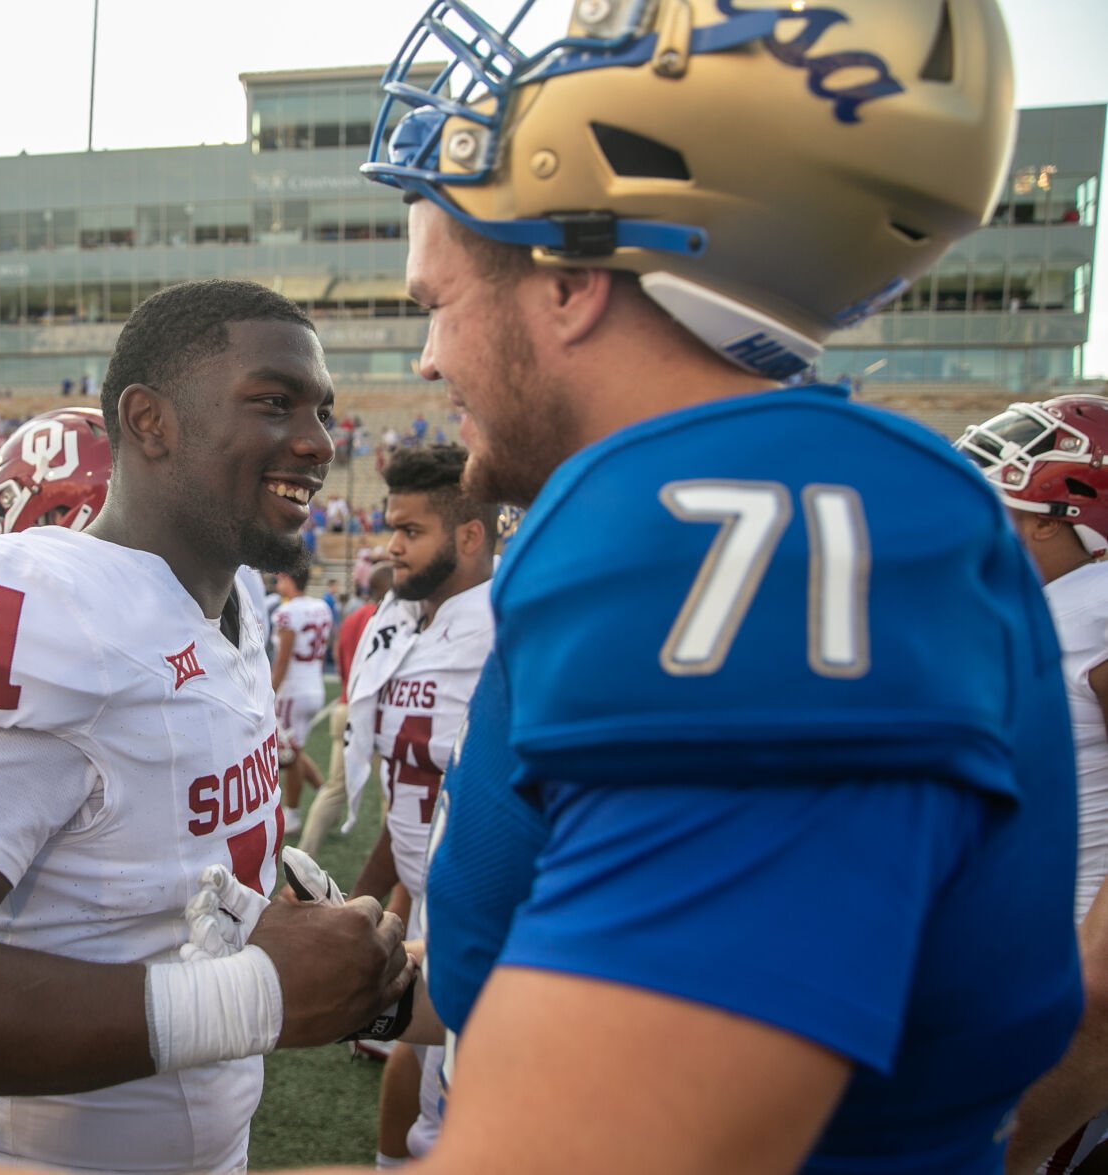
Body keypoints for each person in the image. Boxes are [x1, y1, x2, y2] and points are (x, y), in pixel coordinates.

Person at [351, 0, 1074, 1170]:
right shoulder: (737, 498)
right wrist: (346, 985)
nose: (428, 359)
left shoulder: (730, 530)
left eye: (436, 304)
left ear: (571, 279)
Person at [0, 280, 409, 1173]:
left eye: (322, 409)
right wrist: (250, 997)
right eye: (274, 402)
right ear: (149, 421)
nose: (318, 440)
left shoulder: (234, 593)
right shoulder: (50, 614)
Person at [956, 395, 1108, 1172]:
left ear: (1059, 518)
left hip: (1065, 983)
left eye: (1006, 511)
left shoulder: (1095, 608)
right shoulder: (1036, 608)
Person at [337, 444, 496, 1162]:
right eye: (391, 527)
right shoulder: (403, 621)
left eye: (411, 531)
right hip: (431, 896)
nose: (390, 546)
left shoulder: (501, 630)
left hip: (484, 908)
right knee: (418, 1071)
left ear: (470, 535)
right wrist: (360, 901)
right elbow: (410, 789)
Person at [297, 560, 391, 858]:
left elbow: (340, 660)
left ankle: (303, 855)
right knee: (390, 796)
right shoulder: (390, 619)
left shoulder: (352, 620)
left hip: (347, 706)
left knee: (335, 787)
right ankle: (399, 871)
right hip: (379, 712)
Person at [269, 566, 332, 833]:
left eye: (281, 575)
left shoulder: (286, 612)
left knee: (289, 756)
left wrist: (269, 692)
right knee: (296, 750)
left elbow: (282, 660)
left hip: (292, 691)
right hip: (314, 686)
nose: (277, 579)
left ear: (289, 578)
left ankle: (292, 814)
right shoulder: (321, 606)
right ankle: (326, 796)